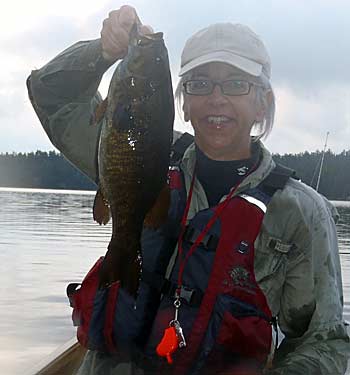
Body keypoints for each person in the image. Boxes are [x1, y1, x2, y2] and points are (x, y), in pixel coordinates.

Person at [27, 5, 350, 375]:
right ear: (182, 102)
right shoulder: (140, 150)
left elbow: (323, 344)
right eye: (199, 83)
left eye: (236, 83)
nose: (216, 98)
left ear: (263, 103)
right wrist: (100, 53)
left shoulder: (302, 213)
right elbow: (48, 93)